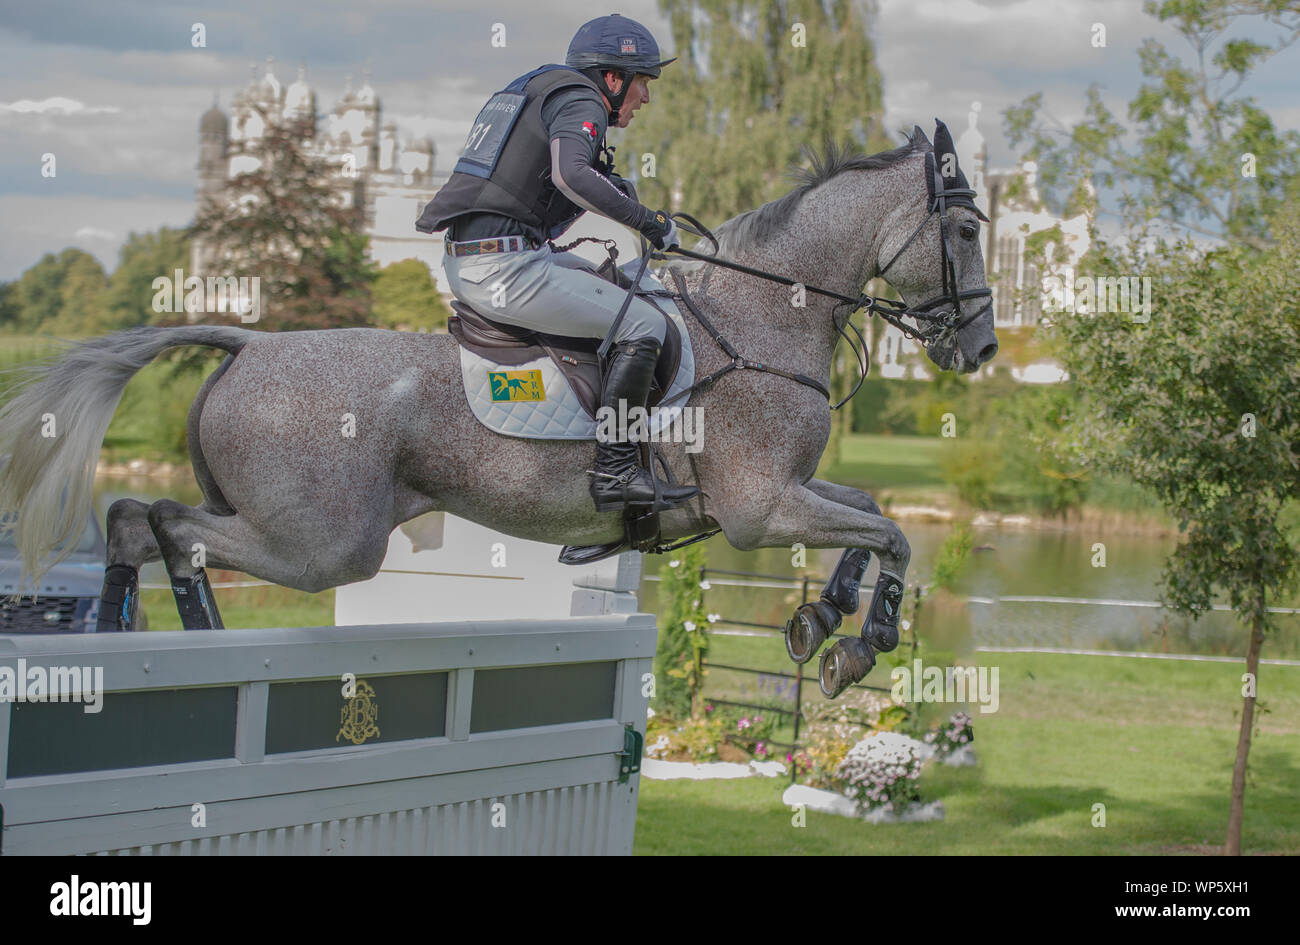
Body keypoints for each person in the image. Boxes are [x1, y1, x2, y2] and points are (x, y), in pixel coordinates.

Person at [417, 13, 699, 516]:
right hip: (503, 269)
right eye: (643, 82)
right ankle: (615, 471)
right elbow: (569, 175)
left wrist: (621, 194)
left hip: (493, 256)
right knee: (644, 324)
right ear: (613, 78)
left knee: (614, 284)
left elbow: (546, 184)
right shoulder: (581, 97)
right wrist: (650, 222)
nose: (646, 98)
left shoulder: (538, 87)